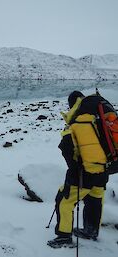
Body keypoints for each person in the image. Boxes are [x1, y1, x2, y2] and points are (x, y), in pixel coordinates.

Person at [47, 90, 110, 248]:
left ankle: (63, 236)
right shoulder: (97, 118)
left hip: (84, 172)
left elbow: (67, 147)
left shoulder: (76, 120)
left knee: (64, 200)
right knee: (95, 199)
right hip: (103, 171)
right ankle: (91, 231)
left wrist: (75, 169)